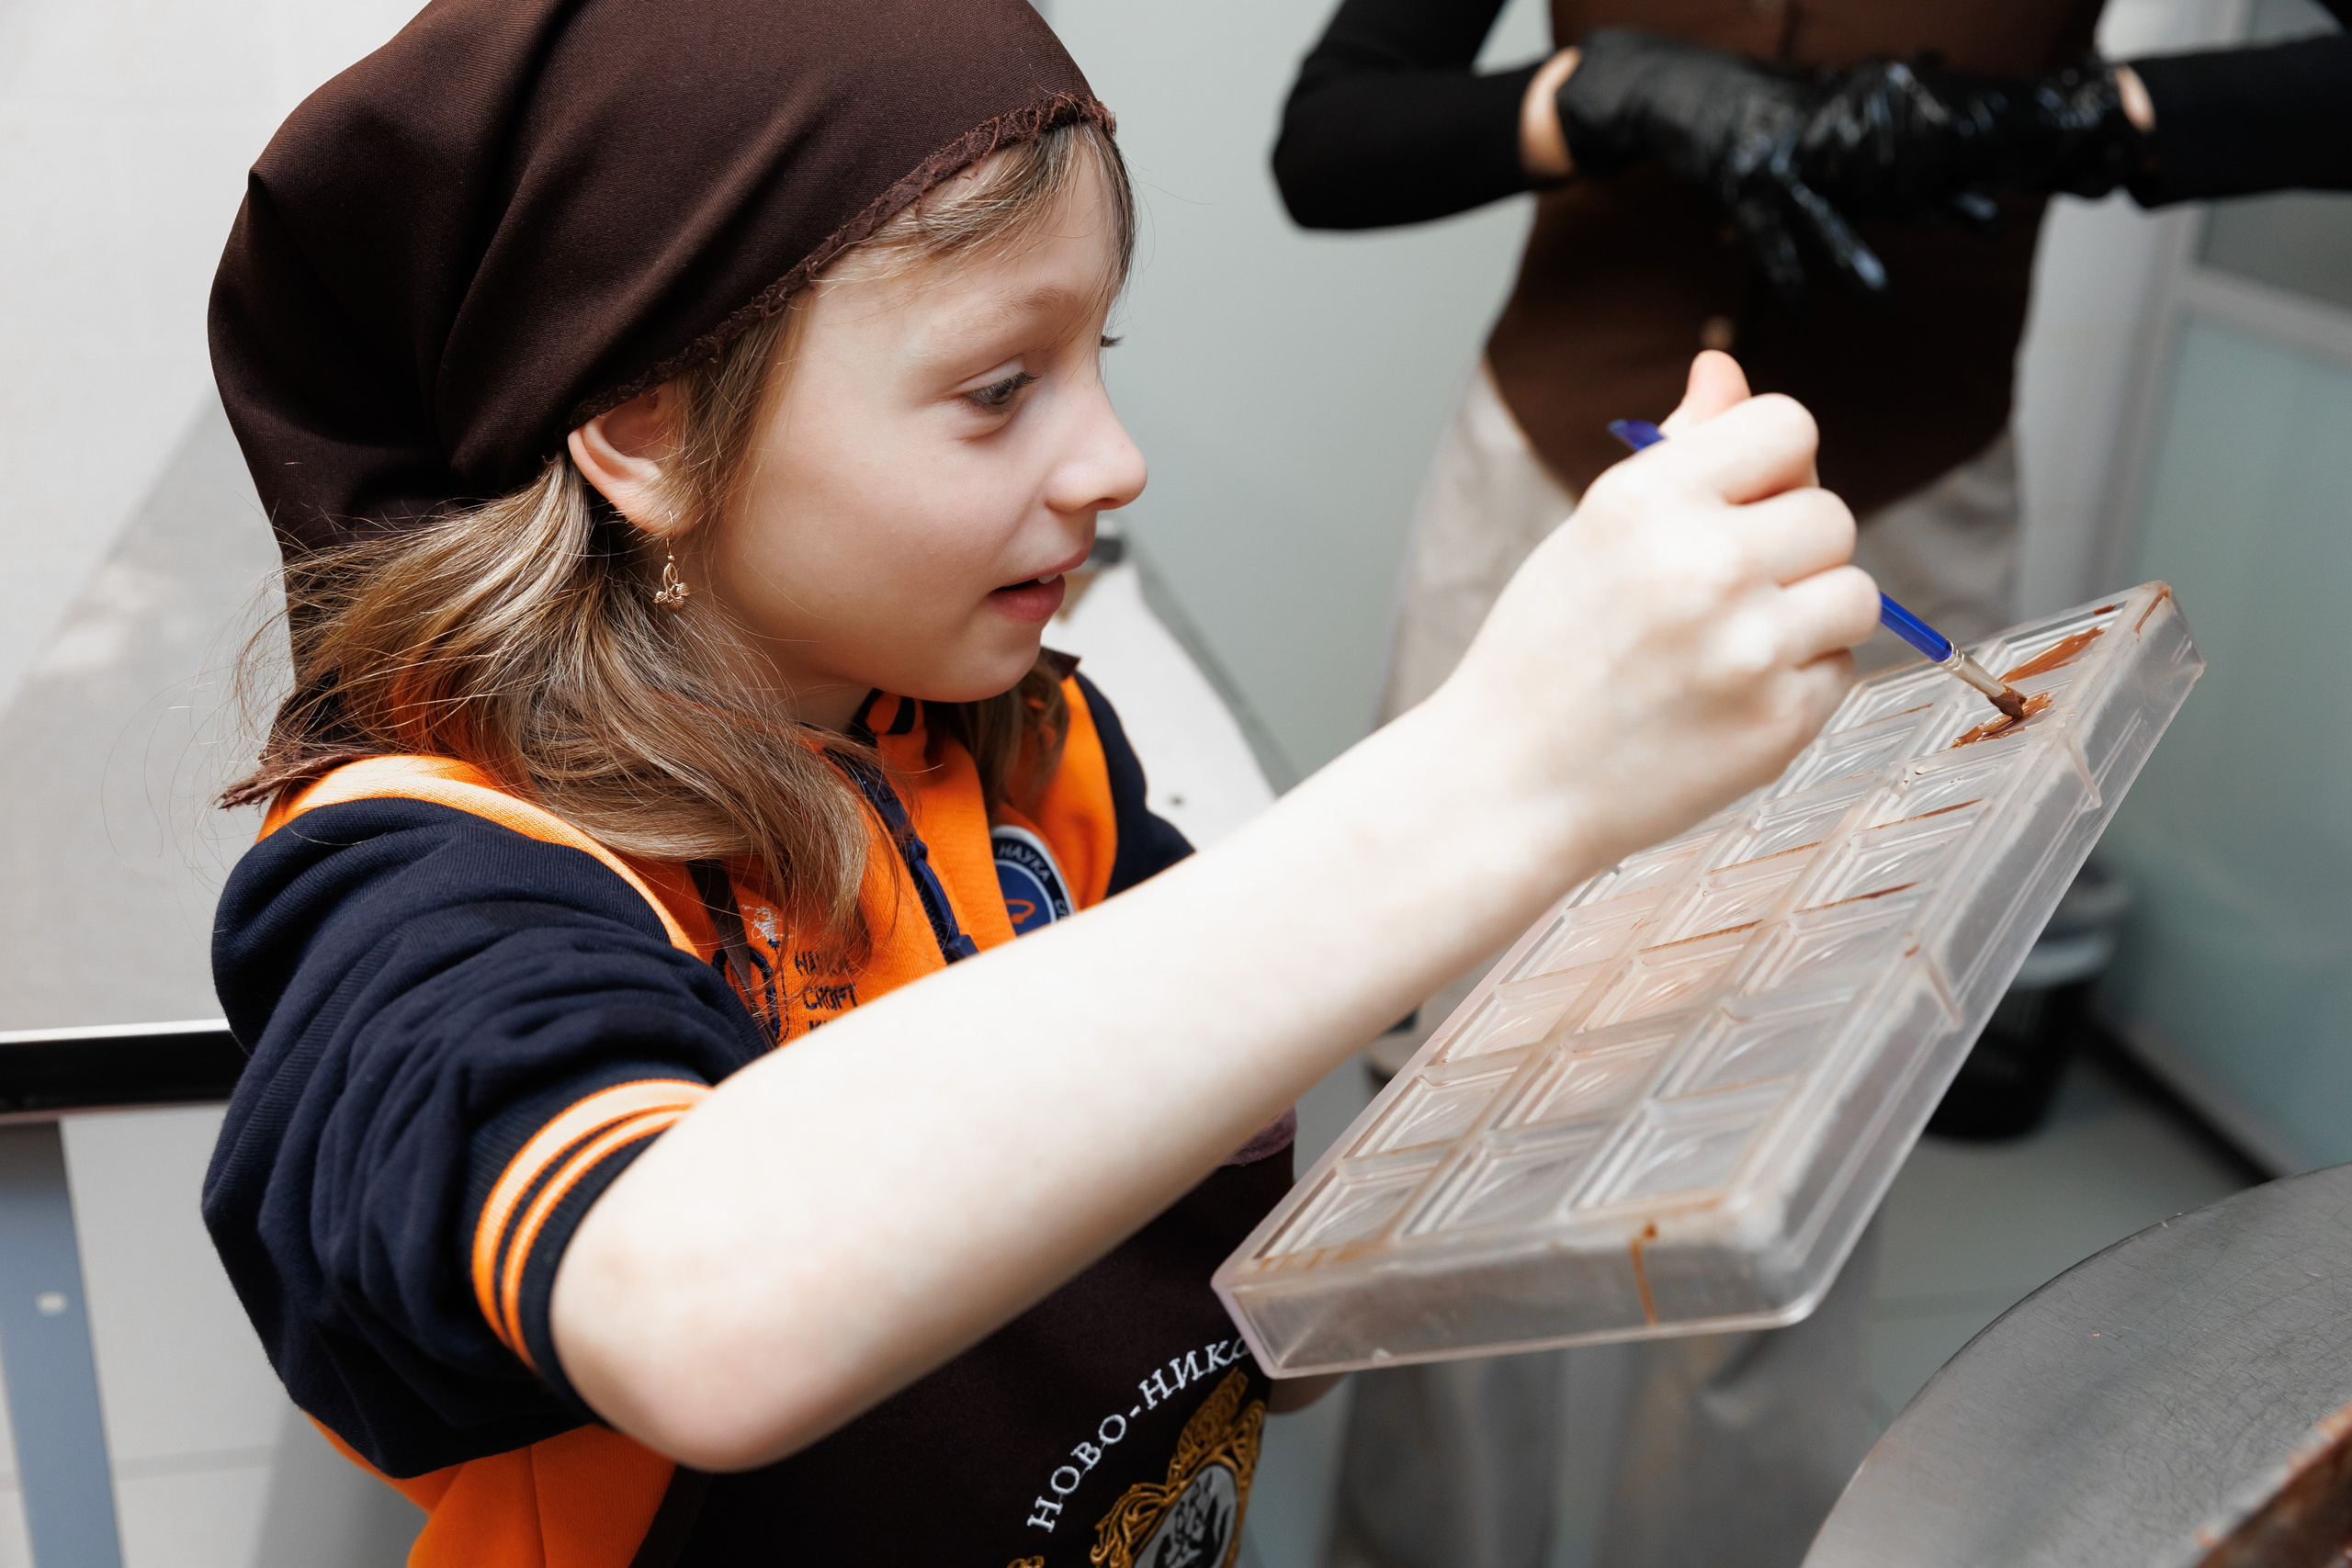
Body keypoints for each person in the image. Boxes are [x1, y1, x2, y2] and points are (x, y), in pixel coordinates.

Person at [196, 0, 1879, 1562]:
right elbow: (693, 1310)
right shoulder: (428, 875)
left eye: (1097, 361)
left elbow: (1237, 1302)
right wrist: (1503, 771)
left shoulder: (1025, 752)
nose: (1113, 461)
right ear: (638, 427)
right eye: (998, 388)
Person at [1276, 6, 2352, 1566]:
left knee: (1804, 1144)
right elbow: (1331, 142)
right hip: (1552, 498)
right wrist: (1601, 97)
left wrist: (2066, 121)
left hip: (1899, 522)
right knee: (1452, 1119)